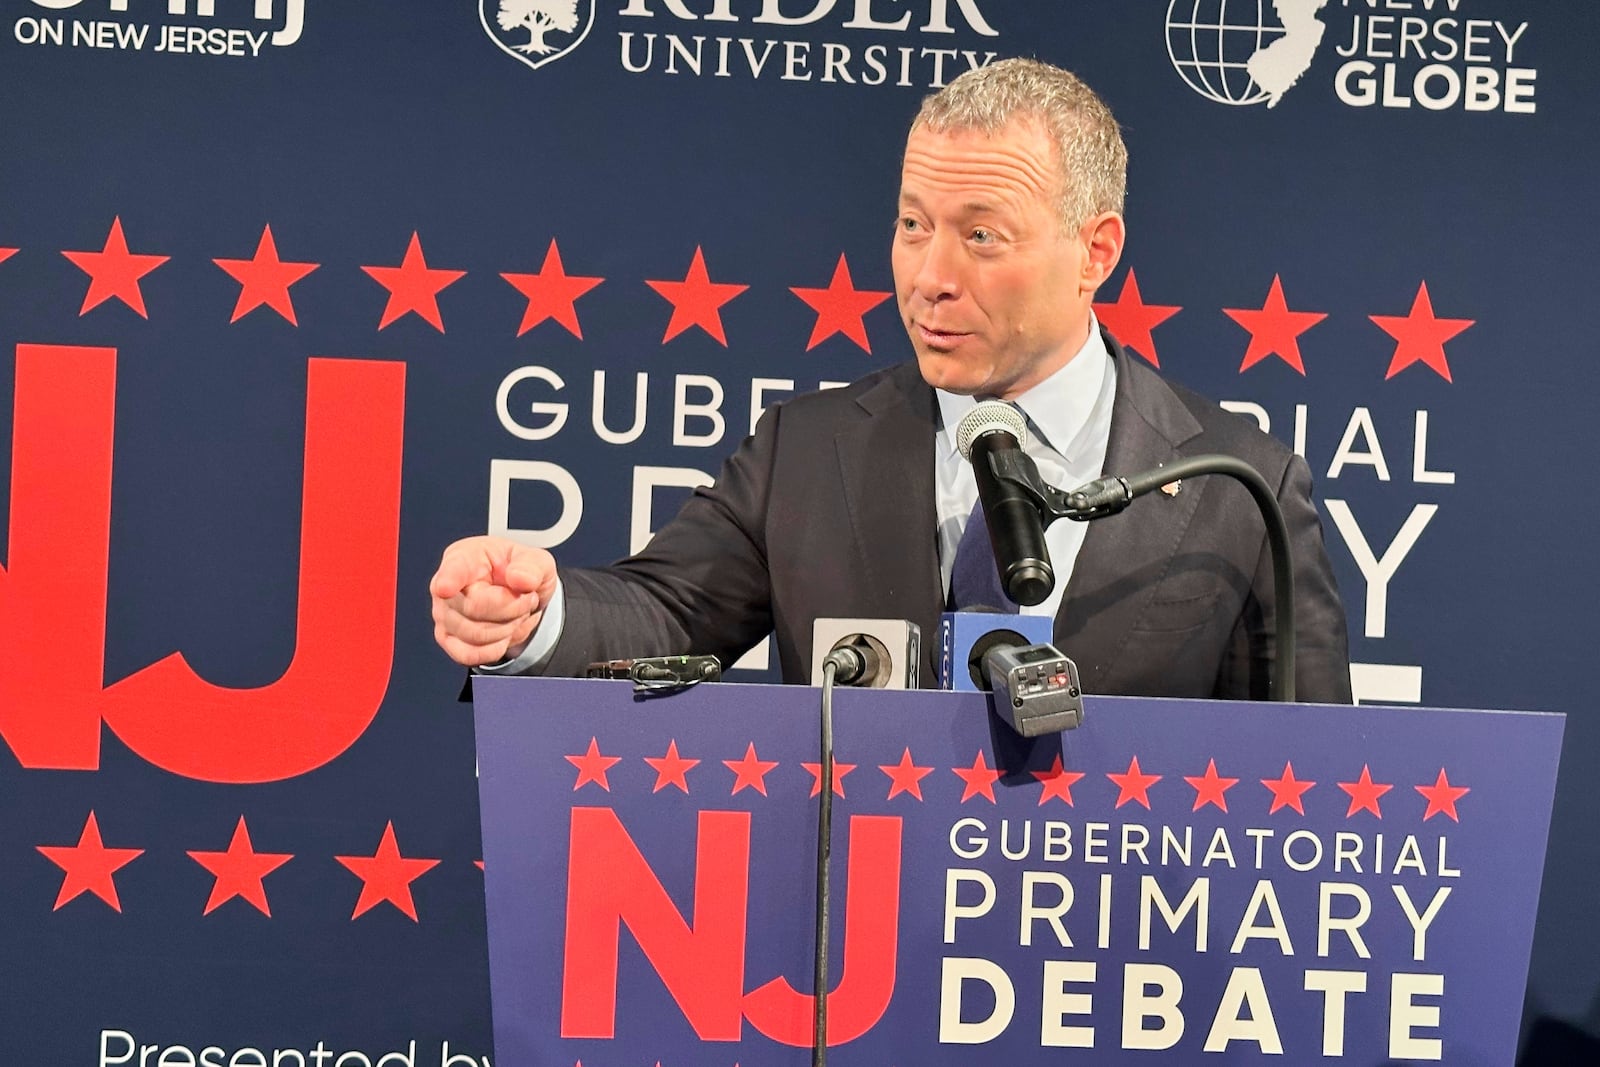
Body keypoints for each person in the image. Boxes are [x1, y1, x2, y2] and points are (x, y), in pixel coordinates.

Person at [430, 58, 1352, 702]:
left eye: (980, 235)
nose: (929, 275)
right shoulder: (807, 450)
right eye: (914, 225)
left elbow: (1300, 779)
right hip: (857, 951)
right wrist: (537, 617)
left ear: (1094, 251)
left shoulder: (1238, 484)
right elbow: (665, 612)